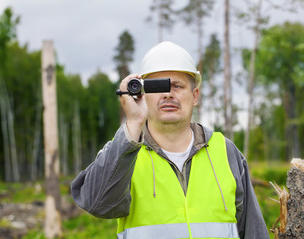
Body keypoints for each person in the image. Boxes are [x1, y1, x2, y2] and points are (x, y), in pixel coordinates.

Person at [71, 41, 269, 239]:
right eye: (158, 86)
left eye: (177, 86)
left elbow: (253, 231)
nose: (167, 94)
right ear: (141, 94)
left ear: (195, 96)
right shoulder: (125, 151)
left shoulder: (225, 151)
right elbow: (96, 204)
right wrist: (133, 123)